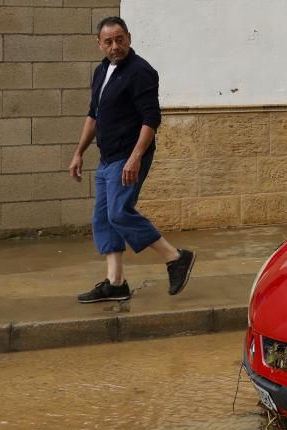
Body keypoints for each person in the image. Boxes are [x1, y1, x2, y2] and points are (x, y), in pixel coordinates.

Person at [67, 17, 194, 303]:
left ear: (129, 38)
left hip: (128, 156)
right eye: (108, 41)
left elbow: (151, 119)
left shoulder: (141, 71)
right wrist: (78, 152)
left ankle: (175, 258)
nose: (115, 46)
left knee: (119, 212)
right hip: (108, 157)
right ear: (99, 44)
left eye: (120, 39)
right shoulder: (102, 71)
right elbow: (94, 115)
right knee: (103, 218)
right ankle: (116, 283)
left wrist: (135, 157)